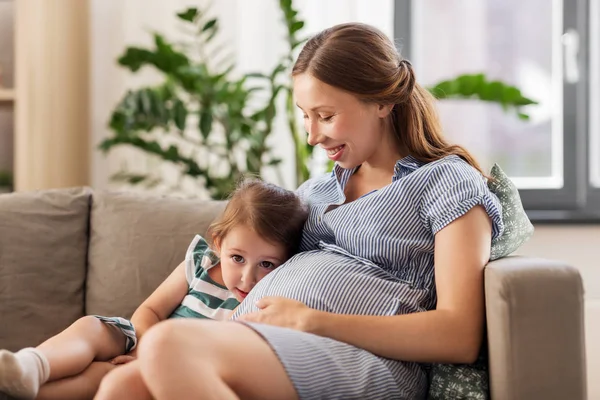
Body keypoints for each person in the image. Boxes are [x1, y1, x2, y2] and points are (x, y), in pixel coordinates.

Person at [96, 22, 506, 400]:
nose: (312, 136)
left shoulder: (446, 182)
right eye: (306, 117)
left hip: (365, 359)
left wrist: (313, 321)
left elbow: (459, 334)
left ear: (382, 102)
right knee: (121, 387)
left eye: (326, 116)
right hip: (267, 339)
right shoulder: (316, 192)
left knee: (168, 344)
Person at [0, 179, 308, 400]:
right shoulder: (199, 264)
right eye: (237, 258)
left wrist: (147, 363)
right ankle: (31, 365)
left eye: (266, 264)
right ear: (218, 243)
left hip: (171, 368)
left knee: (106, 377)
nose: (246, 278)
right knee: (92, 326)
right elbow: (150, 310)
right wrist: (141, 349)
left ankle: (21, 390)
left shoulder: (267, 300)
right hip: (141, 340)